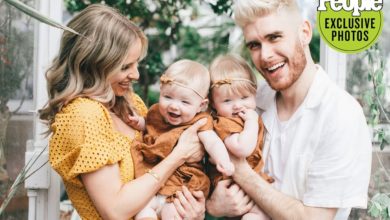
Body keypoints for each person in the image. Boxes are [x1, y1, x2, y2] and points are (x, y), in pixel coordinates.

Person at [206, 0, 372, 219]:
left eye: (274, 37)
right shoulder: (251, 100)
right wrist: (212, 205)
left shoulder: (341, 115)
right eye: (254, 45)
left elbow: (314, 218)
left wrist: (239, 170)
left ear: (304, 32)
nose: (265, 55)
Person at [39, 4, 206, 220]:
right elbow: (116, 210)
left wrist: (192, 208)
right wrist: (179, 154)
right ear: (96, 64)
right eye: (125, 67)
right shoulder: (83, 115)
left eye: (136, 63)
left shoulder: (129, 103)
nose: (136, 74)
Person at [130, 59, 234, 220]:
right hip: (153, 180)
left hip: (181, 185)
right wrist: (140, 123)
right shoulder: (156, 112)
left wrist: (223, 160)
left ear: (201, 105)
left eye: (184, 102)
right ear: (160, 91)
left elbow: (212, 142)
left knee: (173, 213)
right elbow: (149, 125)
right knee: (142, 210)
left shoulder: (200, 122)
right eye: (168, 97)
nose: (174, 106)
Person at [208, 54, 274, 220]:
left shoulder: (242, 117)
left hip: (248, 184)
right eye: (227, 100)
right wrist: (252, 122)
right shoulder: (225, 123)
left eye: (244, 97)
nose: (238, 105)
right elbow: (241, 148)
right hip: (233, 188)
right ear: (213, 104)